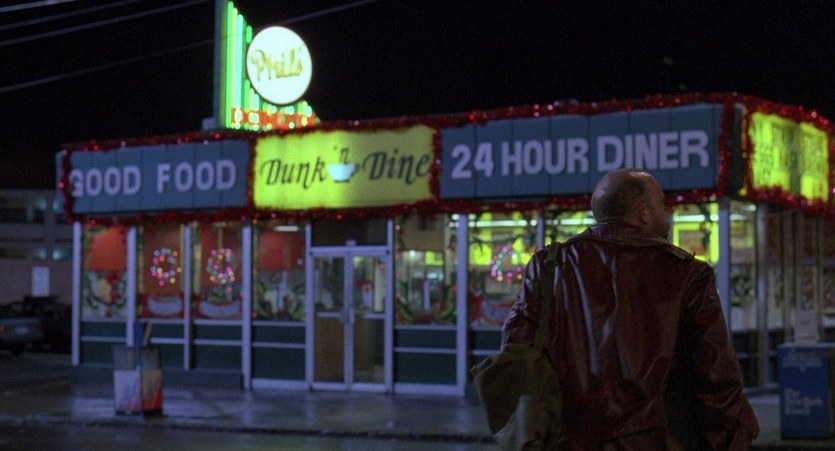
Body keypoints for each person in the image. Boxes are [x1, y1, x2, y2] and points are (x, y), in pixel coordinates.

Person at [502, 169, 759, 450]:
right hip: (655, 441)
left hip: (569, 441)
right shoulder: (686, 273)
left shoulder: (549, 266)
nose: (667, 215)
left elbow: (516, 351)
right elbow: (716, 376)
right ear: (643, 213)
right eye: (662, 205)